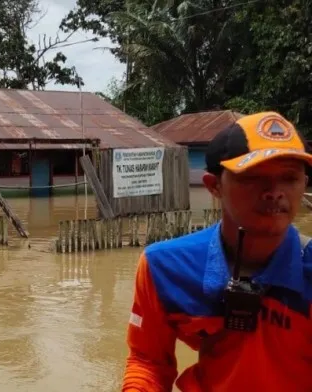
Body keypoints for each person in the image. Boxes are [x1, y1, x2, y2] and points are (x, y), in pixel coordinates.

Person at [121, 111, 312, 391]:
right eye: (253, 177)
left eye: (290, 178)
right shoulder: (163, 267)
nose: (274, 191)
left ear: (304, 185)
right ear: (214, 186)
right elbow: (148, 360)